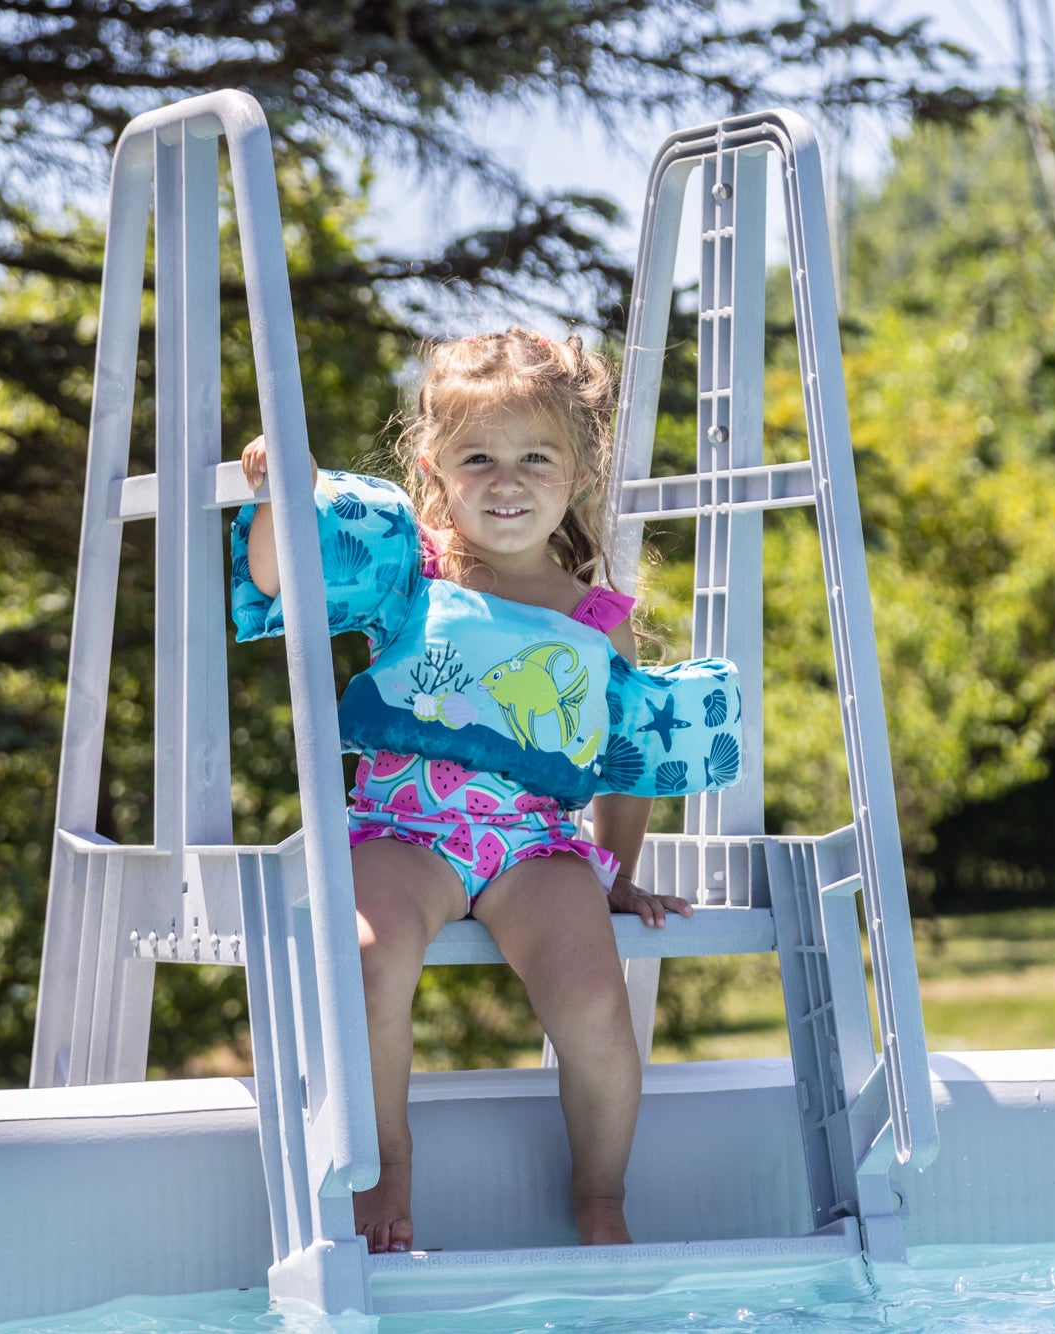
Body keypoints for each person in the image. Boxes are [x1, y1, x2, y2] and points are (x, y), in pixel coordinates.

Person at [232, 327, 744, 1255]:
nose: (506, 483)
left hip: (535, 845)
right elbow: (279, 574)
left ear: (579, 468)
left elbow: (626, 754)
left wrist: (615, 873)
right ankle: (387, 1159)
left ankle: (601, 1192)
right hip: (403, 827)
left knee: (595, 1001)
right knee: (366, 954)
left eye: (534, 458)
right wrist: (288, 493)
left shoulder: (596, 617)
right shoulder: (409, 568)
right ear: (436, 470)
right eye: (479, 459)